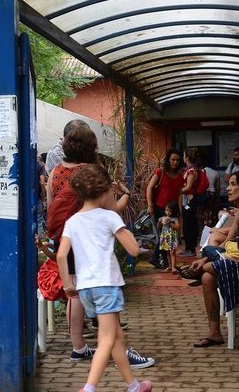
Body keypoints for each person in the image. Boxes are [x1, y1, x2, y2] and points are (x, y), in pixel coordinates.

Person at [47, 125, 150, 368]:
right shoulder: (94, 172)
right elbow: (111, 210)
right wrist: (126, 195)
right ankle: (115, 349)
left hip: (66, 234)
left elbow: (50, 206)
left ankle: (78, 347)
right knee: (103, 289)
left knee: (75, 290)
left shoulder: (55, 172)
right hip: (92, 239)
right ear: (90, 147)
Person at [56, 164, 153, 392]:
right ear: (103, 192)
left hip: (86, 288)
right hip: (106, 285)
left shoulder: (72, 221)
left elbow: (61, 255)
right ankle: (89, 387)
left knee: (116, 337)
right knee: (107, 339)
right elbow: (134, 250)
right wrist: (126, 231)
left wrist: (69, 285)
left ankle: (134, 386)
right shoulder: (109, 217)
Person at [184, 171, 239, 347]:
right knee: (207, 276)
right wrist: (205, 259)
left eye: (233, 184)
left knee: (208, 270)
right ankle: (215, 333)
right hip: (238, 264)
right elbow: (226, 244)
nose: (228, 189)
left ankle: (197, 273)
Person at [181, 148, 210, 256]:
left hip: (190, 200)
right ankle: (188, 247)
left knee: (190, 224)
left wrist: (177, 190)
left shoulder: (191, 171)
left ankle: (191, 248)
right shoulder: (190, 169)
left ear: (187, 157)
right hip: (187, 200)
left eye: (184, 155)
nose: (183, 158)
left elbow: (188, 186)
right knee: (188, 223)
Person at [156, 202, 180, 274]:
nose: (168, 212)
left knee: (172, 252)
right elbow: (158, 227)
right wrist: (159, 222)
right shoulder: (163, 218)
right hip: (165, 237)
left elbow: (178, 227)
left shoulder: (174, 219)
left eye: (170, 211)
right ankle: (170, 266)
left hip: (172, 237)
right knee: (167, 252)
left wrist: (170, 223)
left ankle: (173, 267)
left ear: (174, 211)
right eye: (166, 210)